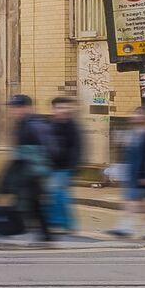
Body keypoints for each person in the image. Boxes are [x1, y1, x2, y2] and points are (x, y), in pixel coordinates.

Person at [2, 94, 58, 243]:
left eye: (16, 107)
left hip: (34, 173)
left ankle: (8, 232)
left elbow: (49, 148)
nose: (13, 111)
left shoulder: (35, 124)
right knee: (32, 204)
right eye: (13, 108)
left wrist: (41, 168)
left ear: (26, 107)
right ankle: (45, 236)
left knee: (29, 203)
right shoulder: (23, 123)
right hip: (26, 171)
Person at [106, 106, 145, 240]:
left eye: (138, 114)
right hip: (133, 173)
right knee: (133, 202)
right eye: (135, 114)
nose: (134, 116)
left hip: (144, 174)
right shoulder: (135, 133)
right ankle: (127, 228)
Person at [42, 94, 84, 236]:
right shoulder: (50, 124)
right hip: (51, 166)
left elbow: (77, 148)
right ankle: (65, 224)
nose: (63, 110)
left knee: (58, 194)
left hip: (65, 167)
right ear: (53, 109)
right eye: (59, 108)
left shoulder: (73, 126)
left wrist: (74, 166)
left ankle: (61, 223)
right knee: (55, 194)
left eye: (65, 107)